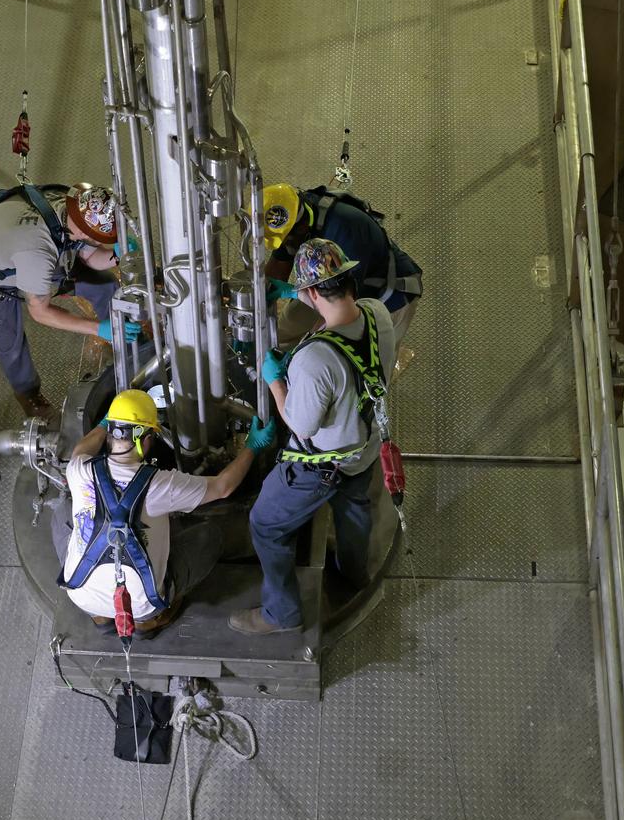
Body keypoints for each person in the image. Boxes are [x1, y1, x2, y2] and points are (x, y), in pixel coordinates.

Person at [229, 239, 395, 636]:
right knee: (354, 511)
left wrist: (275, 382)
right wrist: (294, 292)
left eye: (302, 289)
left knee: (266, 524)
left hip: (320, 466)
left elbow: (300, 425)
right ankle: (355, 574)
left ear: (314, 291)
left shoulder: (314, 360)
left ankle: (281, 614)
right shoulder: (377, 313)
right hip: (365, 448)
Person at [60, 389, 276, 634]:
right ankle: (148, 621)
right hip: (142, 604)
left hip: (81, 594)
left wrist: (103, 423)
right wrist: (252, 447)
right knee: (210, 537)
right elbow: (223, 487)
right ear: (147, 439)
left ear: (111, 433)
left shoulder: (79, 469)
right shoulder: (158, 485)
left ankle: (99, 616)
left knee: (62, 512)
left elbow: (81, 448)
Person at [0, 182, 144, 418]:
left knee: (104, 284)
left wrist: (117, 255)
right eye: (99, 237)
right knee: (10, 341)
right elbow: (40, 313)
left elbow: (88, 257)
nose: (101, 241)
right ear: (82, 229)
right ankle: (28, 394)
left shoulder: (68, 206)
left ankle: (127, 343)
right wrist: (98, 329)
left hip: (14, 245)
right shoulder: (38, 253)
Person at [261, 183, 422, 346]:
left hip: (385, 295)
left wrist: (309, 346)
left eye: (286, 240)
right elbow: (277, 270)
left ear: (302, 228)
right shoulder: (293, 217)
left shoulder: (347, 232)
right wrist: (260, 292)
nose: (285, 245)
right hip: (326, 284)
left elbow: (342, 306)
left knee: (355, 360)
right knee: (284, 334)